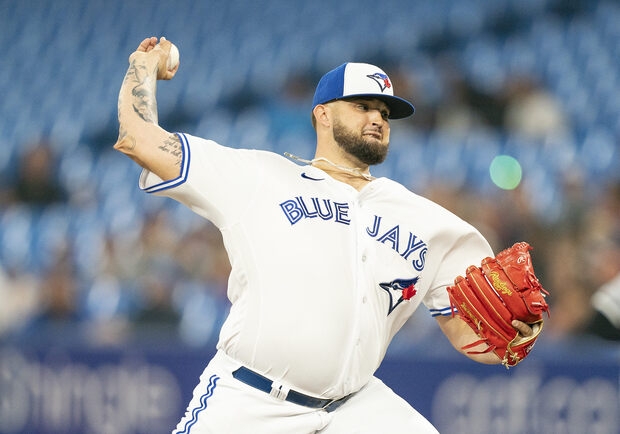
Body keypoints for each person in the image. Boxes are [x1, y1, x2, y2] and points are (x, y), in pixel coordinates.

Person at [115, 37, 534, 434]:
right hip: (252, 398)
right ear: (323, 113)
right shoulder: (260, 177)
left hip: (353, 407)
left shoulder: (428, 221)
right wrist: (142, 65)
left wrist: (510, 336)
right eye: (363, 105)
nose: (377, 118)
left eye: (385, 113)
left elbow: (469, 332)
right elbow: (139, 138)